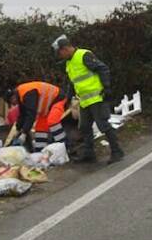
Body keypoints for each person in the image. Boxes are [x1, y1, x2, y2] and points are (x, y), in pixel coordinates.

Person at [52, 34, 124, 164]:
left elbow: (103, 69)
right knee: (85, 127)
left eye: (60, 53)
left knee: (103, 125)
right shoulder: (69, 63)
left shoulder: (84, 55)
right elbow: (73, 82)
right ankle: (89, 154)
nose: (60, 56)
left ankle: (117, 151)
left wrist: (106, 87)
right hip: (84, 100)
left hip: (97, 97)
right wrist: (68, 98)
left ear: (65, 49)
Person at [5, 81, 67, 152]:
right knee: (40, 128)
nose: (13, 104)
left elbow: (31, 115)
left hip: (58, 98)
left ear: (13, 97)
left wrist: (24, 133)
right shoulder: (21, 95)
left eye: (11, 102)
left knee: (52, 121)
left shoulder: (27, 93)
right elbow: (23, 115)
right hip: (47, 106)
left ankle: (64, 146)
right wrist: (18, 130)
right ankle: (40, 151)